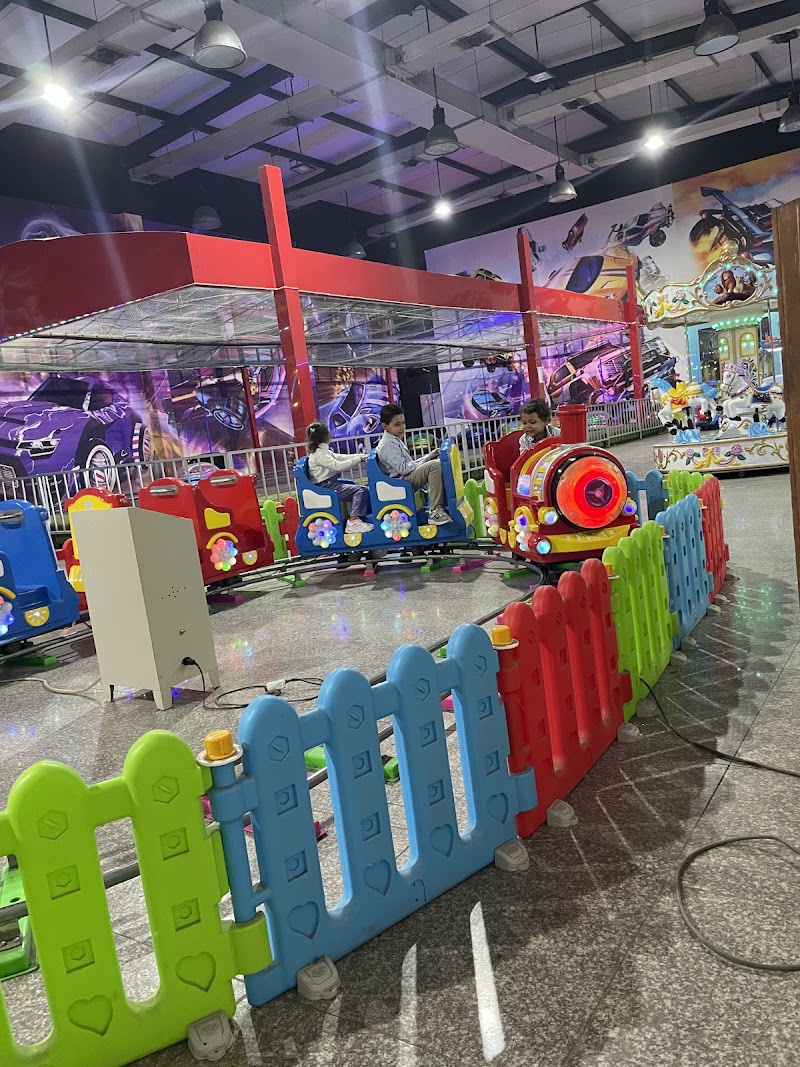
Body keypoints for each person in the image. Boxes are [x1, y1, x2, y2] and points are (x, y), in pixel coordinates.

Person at [375, 404, 452, 525]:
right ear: (385, 426)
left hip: (402, 477)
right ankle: (435, 511)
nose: (402, 427)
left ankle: (441, 505)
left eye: (403, 423)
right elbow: (404, 469)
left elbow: (407, 465)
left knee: (435, 464)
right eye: (397, 424)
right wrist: (426, 458)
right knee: (434, 466)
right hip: (399, 481)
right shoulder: (387, 445)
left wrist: (426, 458)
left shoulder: (394, 439)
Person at [306, 421, 373, 534]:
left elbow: (340, 457)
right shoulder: (320, 454)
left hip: (328, 484)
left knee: (362, 489)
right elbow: (338, 465)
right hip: (325, 487)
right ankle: (353, 522)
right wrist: (359, 459)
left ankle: (360, 517)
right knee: (360, 491)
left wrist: (361, 456)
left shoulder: (321, 451)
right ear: (327, 436)